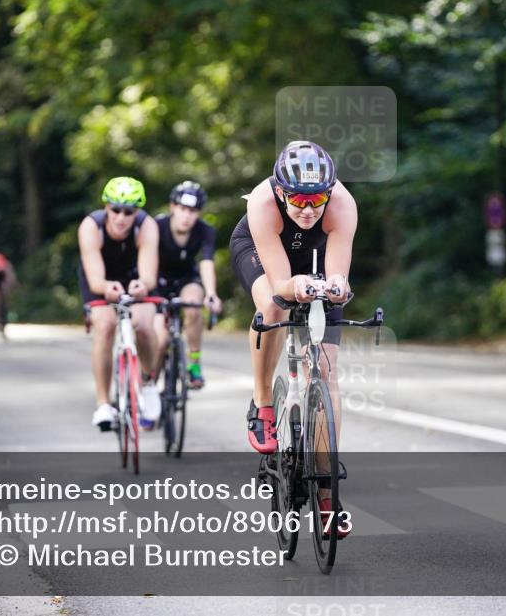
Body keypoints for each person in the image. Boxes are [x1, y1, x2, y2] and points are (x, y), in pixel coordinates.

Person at [229, 141, 357, 537]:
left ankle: (326, 496)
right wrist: (292, 286)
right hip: (264, 251)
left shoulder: (342, 205)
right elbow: (282, 282)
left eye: (316, 199)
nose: (307, 209)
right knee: (274, 306)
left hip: (314, 257)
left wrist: (336, 287)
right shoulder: (264, 204)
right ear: (281, 192)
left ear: (329, 192)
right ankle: (263, 401)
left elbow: (340, 276)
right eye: (297, 200)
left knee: (326, 369)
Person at [78, 176, 161, 431]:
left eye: (128, 211)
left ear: (137, 211)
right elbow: (95, 280)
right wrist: (106, 288)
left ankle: (148, 383)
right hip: (100, 279)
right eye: (115, 209)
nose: (121, 217)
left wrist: (142, 285)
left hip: (135, 278)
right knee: (105, 325)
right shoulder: (91, 226)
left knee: (145, 325)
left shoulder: (146, 225)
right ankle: (103, 403)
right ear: (106, 207)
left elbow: (148, 273)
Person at [153, 181, 223, 389]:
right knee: (160, 341)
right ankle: (148, 388)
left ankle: (194, 363)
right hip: (157, 282)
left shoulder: (205, 231)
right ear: (173, 207)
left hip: (186, 279)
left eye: (192, 211)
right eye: (182, 209)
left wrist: (211, 293)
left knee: (194, 306)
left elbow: (206, 262)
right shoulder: (156, 226)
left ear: (199, 213)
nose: (186, 216)